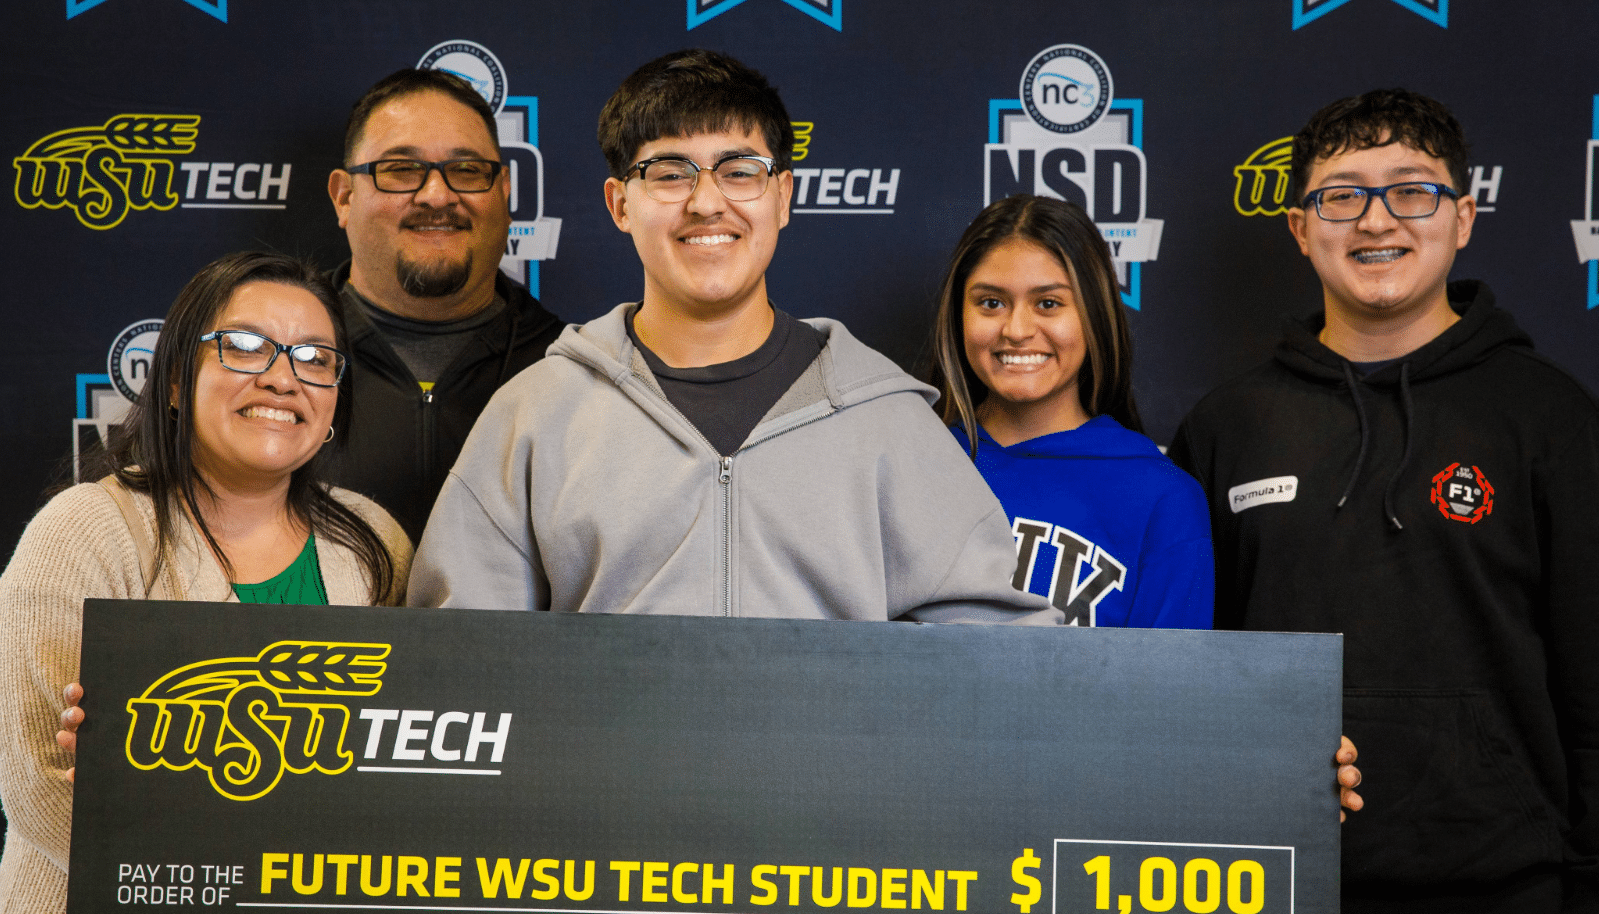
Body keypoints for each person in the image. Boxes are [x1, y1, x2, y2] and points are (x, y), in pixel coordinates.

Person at [1168, 88, 1599, 914]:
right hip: (1266, 907)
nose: (1374, 219)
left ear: (1461, 215)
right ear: (1297, 226)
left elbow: (1592, 663)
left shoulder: (1548, 417)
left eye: (1409, 192)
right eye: (1341, 196)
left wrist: (1591, 897)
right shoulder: (1228, 425)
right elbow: (1186, 673)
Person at [406, 49, 1056, 624]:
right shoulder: (536, 415)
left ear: (783, 197)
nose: (706, 201)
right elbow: (462, 662)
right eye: (669, 172)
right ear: (619, 203)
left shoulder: (886, 419)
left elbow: (996, 663)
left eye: (739, 170)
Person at [0, 252, 412, 914]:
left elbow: (397, 757)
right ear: (179, 380)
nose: (283, 377)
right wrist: (221, 896)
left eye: (313, 359)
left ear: (334, 402)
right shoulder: (84, 529)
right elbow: (35, 779)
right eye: (247, 346)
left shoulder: (373, 544)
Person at [927, 194, 1212, 630]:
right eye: (990, 303)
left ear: (1094, 314)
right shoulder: (912, 463)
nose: (1017, 330)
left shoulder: (1162, 498)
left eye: (1048, 304)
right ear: (957, 314)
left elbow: (1169, 694)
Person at [323, 68, 565, 541]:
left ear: (504, 193)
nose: (437, 195)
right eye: (401, 170)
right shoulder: (262, 362)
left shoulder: (574, 369)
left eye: (467, 170)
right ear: (344, 197)